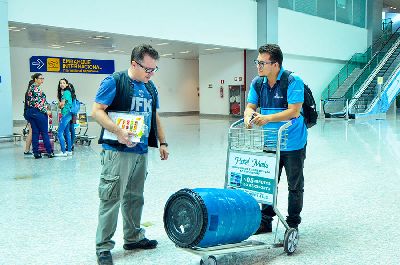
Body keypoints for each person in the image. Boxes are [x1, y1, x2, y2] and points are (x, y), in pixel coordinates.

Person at [92, 44, 169, 265]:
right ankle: (103, 247)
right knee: (111, 198)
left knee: (135, 197)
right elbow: (96, 111)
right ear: (134, 64)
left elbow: (154, 116)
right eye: (148, 69)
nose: (151, 74)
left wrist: (162, 142)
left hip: (140, 151)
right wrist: (118, 131)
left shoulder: (151, 87)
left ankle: (133, 237)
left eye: (154, 69)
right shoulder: (115, 82)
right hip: (117, 152)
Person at [244, 44, 307, 233]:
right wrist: (248, 116)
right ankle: (266, 221)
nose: (258, 66)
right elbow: (250, 106)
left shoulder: (293, 81)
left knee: (294, 184)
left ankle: (293, 222)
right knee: (268, 182)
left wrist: (267, 118)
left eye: (263, 62)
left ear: (276, 65)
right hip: (270, 141)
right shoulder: (258, 83)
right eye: (258, 62)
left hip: (293, 142)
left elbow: (294, 111)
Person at [24, 73, 54, 159]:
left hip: (31, 112)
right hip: (38, 112)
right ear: (35, 79)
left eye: (43, 78)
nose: (42, 80)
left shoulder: (31, 88)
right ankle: (49, 152)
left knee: (35, 132)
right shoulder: (36, 88)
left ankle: (36, 153)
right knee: (44, 132)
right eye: (40, 78)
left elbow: (34, 102)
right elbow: (38, 103)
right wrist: (46, 111)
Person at [55, 79, 74, 156]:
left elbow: (61, 105)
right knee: (67, 133)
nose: (62, 84)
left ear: (67, 84)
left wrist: (58, 104)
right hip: (69, 114)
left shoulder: (65, 93)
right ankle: (69, 151)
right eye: (60, 83)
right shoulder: (69, 92)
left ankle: (63, 151)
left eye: (63, 83)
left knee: (59, 133)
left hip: (65, 114)